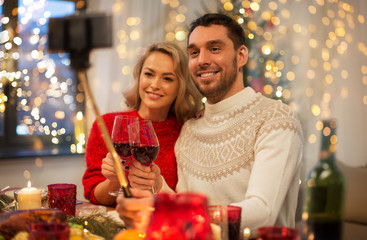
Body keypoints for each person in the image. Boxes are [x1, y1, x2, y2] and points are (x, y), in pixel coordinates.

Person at [116, 13, 303, 237]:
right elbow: (182, 203)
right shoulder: (190, 129)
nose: (202, 60)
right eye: (194, 52)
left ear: (241, 55)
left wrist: (177, 215)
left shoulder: (276, 119)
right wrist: (158, 185)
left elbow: (262, 211)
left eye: (214, 48)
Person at [82, 42, 203, 206]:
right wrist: (115, 181)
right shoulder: (107, 125)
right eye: (149, 74)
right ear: (139, 77)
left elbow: (190, 200)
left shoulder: (188, 130)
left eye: (167, 78)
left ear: (180, 86)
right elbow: (93, 194)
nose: (155, 85)